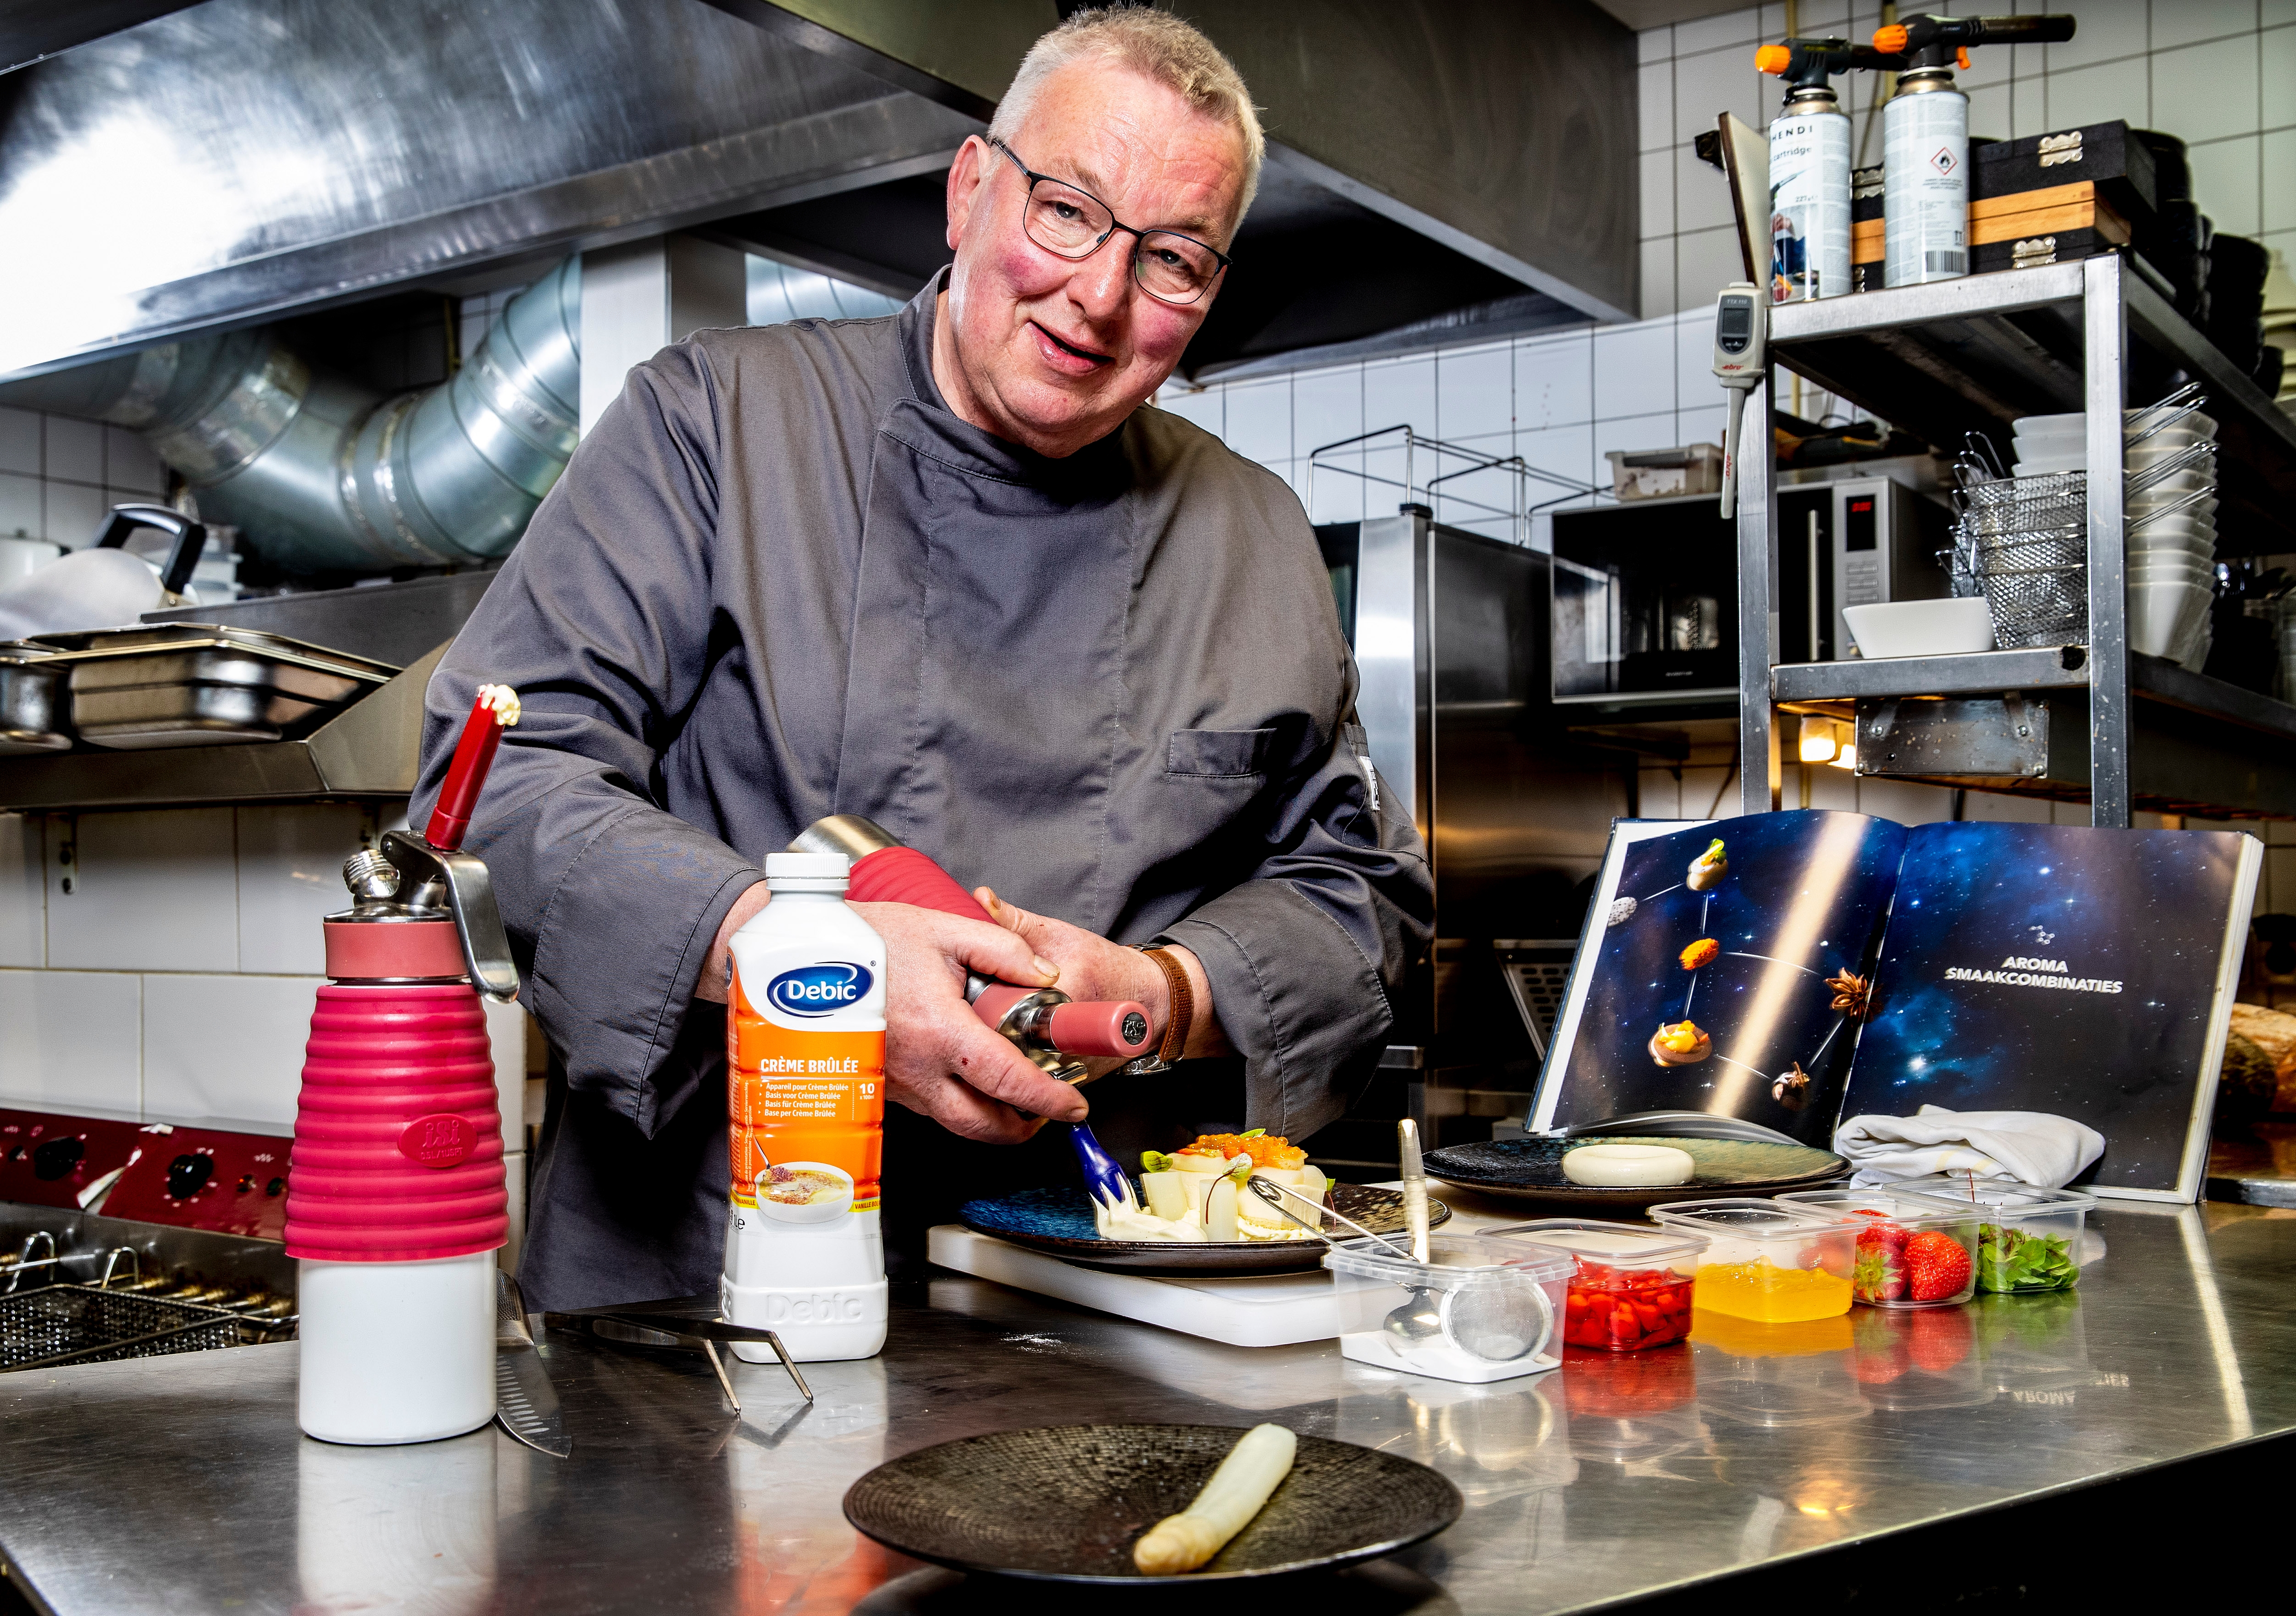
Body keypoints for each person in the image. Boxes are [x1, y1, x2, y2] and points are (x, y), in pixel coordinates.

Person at [415, 7, 1432, 1309]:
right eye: (1065, 210)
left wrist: (1168, 992)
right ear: (968, 193)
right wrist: (801, 968)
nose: (1101, 296)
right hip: (702, 1297)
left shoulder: (1253, 531)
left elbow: (1359, 887)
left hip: (1096, 1308)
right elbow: (495, 781)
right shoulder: (713, 427)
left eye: (1173, 259)